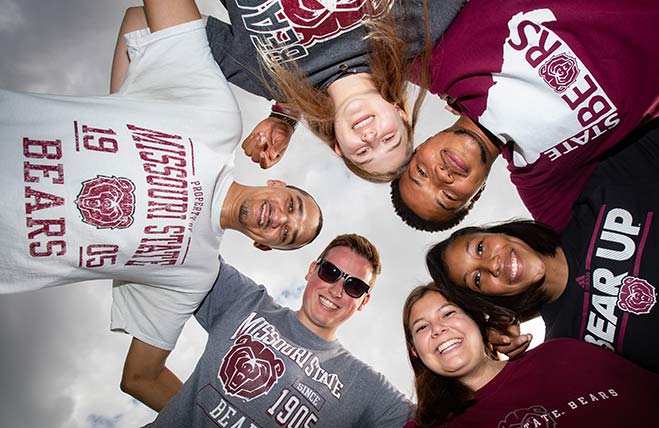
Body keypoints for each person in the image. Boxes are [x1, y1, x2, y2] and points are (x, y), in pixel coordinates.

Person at [0, 0, 323, 411]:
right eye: (292, 205)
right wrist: (128, 103)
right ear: (277, 183)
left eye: (286, 234)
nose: (279, 218)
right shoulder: (217, 121)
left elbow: (140, 378)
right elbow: (141, 17)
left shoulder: (195, 273)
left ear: (266, 246)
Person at [425, 116, 659, 404]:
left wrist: (475, 113)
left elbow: (594, 93)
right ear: (490, 300)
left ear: (499, 232)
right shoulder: (569, 349)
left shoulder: (603, 188)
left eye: (480, 249)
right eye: (478, 280)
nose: (491, 265)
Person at [391, 0, 659, 231]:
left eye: (421, 173)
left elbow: (350, 47)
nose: (440, 177)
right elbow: (566, 270)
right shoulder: (541, 177)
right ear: (476, 193)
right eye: (448, 197)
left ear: (420, 143)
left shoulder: (430, 62)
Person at [144, 233, 413, 426]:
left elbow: (445, 420)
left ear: (363, 302)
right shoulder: (247, 301)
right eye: (330, 271)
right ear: (311, 271)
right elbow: (185, 244)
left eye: (354, 286)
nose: (337, 290)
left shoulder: (363, 384)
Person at [402, 283, 659, 428]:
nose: (438, 329)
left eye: (449, 313)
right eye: (421, 327)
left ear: (477, 320)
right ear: (417, 353)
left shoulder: (565, 354)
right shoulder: (434, 424)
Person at [205, 0, 466, 181]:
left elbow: (177, 28)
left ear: (338, 147)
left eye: (363, 152)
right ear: (400, 113)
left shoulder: (270, 79)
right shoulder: (414, 32)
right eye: (389, 139)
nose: (372, 137)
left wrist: (287, 112)